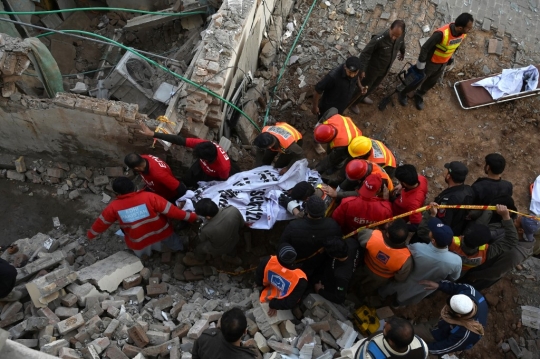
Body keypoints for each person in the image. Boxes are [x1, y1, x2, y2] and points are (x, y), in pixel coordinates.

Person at [87, 177, 198, 257]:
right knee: (173, 242)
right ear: (134, 187)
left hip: (138, 238)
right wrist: (192, 217)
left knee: (142, 250)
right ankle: (179, 251)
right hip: (161, 231)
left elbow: (102, 223)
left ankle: (146, 257)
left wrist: (91, 234)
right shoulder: (150, 197)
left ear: (117, 193)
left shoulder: (113, 207)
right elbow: (173, 212)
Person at [379, 216, 462, 306]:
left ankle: (380, 298)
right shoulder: (456, 261)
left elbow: (404, 252)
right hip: (425, 287)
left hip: (407, 278)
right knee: (405, 299)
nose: (430, 230)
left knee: (389, 289)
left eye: (431, 231)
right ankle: (396, 305)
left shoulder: (418, 248)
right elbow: (454, 278)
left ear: (433, 240)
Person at [398, 13, 474, 110]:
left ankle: (419, 94)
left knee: (431, 82)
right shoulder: (441, 34)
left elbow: (455, 45)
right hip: (430, 63)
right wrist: (420, 66)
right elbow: (425, 48)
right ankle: (403, 92)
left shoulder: (462, 34)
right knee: (416, 79)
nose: (469, 31)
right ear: (459, 28)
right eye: (468, 28)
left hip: (442, 64)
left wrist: (450, 57)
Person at [139, 123, 235, 187]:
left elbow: (222, 182)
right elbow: (180, 140)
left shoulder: (223, 167)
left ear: (206, 159)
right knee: (187, 179)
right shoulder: (205, 145)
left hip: (212, 175)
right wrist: (153, 134)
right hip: (200, 167)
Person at [459, 212, 539, 290]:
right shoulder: (515, 231)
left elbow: (495, 272)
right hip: (483, 259)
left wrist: (476, 275)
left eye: (517, 220)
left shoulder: (514, 254)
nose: (514, 219)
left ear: (521, 230)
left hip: (483, 274)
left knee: (464, 287)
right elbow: (496, 233)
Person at [415, 280, 487, 356]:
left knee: (407, 334)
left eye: (449, 310)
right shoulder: (470, 292)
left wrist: (419, 350)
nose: (446, 310)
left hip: (438, 336)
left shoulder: (466, 334)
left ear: (458, 316)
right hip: (442, 324)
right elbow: (455, 287)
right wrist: (439, 285)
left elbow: (443, 347)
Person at [349, 20, 406, 113]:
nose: (393, 37)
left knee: (373, 86)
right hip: (372, 69)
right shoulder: (379, 39)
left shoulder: (400, 36)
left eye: (397, 36)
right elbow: (365, 53)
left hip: (384, 69)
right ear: (390, 28)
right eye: (392, 34)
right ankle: (353, 103)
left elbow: (401, 43)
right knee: (363, 86)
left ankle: (363, 98)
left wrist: (403, 51)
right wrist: (362, 70)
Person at [280, 196, 342, 277]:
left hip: (297, 262)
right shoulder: (333, 226)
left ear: (306, 210)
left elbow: (282, 245)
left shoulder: (293, 226)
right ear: (323, 211)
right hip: (320, 264)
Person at [449, 204, 518, 274]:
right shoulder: (485, 254)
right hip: (459, 272)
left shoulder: (450, 242)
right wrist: (506, 216)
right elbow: (511, 240)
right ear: (483, 243)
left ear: (465, 234)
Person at [417, 161, 473, 240]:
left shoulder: (448, 200)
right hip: (458, 226)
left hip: (441, 236)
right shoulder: (468, 189)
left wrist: (432, 215)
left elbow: (442, 224)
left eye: (446, 170)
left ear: (448, 176)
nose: (444, 172)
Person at [183, 198, 245, 266]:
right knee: (231, 247)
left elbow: (202, 239)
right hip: (235, 239)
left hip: (220, 248)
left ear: (208, 217)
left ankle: (199, 260)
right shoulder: (233, 210)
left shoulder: (206, 229)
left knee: (199, 248)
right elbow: (242, 224)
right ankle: (232, 257)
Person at [357, 219, 413, 292]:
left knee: (356, 279)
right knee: (367, 289)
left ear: (388, 234)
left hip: (365, 266)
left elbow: (360, 235)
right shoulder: (406, 258)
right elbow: (401, 277)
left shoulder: (373, 236)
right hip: (381, 278)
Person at [255, 244, 308, 315]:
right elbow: (290, 302)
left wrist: (259, 284)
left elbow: (258, 277)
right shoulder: (301, 278)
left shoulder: (268, 261)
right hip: (284, 301)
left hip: (266, 293)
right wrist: (273, 305)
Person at [192, 308, 261, 359]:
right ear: (245, 332)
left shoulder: (206, 337)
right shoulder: (246, 357)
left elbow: (195, 355)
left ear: (220, 325)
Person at [312, 237, 360, 304]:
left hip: (329, 282)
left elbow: (339, 298)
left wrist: (320, 291)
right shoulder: (352, 243)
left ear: (335, 257)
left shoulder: (341, 276)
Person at [354, 317, 428, 359]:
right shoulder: (422, 347)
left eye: (384, 329)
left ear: (391, 342)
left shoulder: (371, 354)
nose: (384, 323)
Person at [325, 159, 394, 200]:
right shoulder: (362, 164)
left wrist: (336, 194)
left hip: (381, 194)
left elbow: (359, 194)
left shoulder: (375, 180)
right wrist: (340, 188)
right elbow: (350, 178)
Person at [391, 164, 428, 231]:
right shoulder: (421, 179)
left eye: (400, 181)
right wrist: (401, 185)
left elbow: (416, 225)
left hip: (398, 215)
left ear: (404, 183)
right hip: (400, 201)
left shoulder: (413, 204)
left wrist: (399, 226)